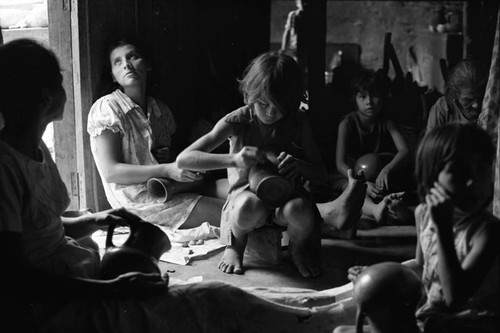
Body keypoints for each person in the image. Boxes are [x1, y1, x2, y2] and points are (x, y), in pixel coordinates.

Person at [0, 38, 360, 333]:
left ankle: (324, 304)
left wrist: (92, 221)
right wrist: (106, 289)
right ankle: (319, 314)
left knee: (210, 295)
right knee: (206, 299)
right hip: (58, 301)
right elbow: (15, 277)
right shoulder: (6, 166)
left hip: (81, 267)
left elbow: (39, 229)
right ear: (47, 97)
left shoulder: (35, 147)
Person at [177, 50, 330, 277]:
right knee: (248, 206)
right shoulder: (238, 120)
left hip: (285, 195)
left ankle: (298, 250)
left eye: (279, 107)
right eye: (263, 103)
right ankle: (235, 247)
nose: (271, 112)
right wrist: (234, 160)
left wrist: (298, 165)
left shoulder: (297, 120)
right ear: (250, 95)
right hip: (245, 197)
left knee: (299, 209)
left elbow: (322, 175)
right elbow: (184, 160)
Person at [348, 123, 500, 333]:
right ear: (432, 177)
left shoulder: (488, 232)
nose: (474, 181)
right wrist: (377, 274)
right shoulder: (423, 213)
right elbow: (422, 265)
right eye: (459, 172)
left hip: (472, 324)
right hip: (433, 317)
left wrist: (443, 229)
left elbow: (455, 299)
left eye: (482, 168)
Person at [87, 38, 226, 231]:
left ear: (148, 64)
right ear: (112, 75)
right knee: (236, 212)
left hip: (168, 187)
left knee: (237, 190)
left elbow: (162, 160)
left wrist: (165, 158)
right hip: (138, 202)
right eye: (117, 62)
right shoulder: (107, 107)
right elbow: (111, 172)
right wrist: (166, 169)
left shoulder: (159, 110)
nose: (126, 64)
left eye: (132, 56)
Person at [333, 68, 410, 225]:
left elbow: (404, 150)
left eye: (374, 95)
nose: (369, 101)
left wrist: (387, 169)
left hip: (378, 176)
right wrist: (360, 182)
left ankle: (391, 207)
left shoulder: (386, 121)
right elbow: (340, 163)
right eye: (363, 96)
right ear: (354, 99)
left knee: (392, 184)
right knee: (351, 190)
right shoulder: (347, 123)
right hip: (351, 176)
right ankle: (377, 210)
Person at [426, 58, 488, 132]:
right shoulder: (442, 110)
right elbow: (432, 142)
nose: (476, 105)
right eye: (468, 100)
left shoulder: (490, 106)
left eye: (480, 97)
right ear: (455, 94)